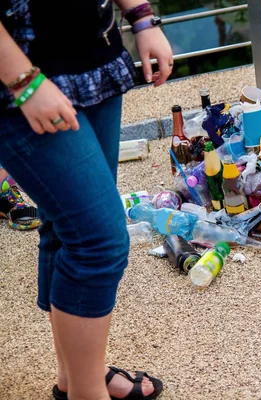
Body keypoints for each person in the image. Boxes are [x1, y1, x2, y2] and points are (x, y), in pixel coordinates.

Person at [0, 1, 173, 399]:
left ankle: (75, 379)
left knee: (67, 229)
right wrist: (23, 81)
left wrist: (142, 17)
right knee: (99, 243)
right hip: (21, 78)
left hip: (93, 60)